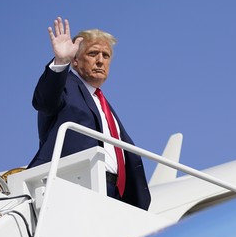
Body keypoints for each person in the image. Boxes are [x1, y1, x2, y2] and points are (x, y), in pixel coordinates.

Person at [28, 17, 151, 210]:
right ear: (76, 60)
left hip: (115, 195)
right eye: (93, 53)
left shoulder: (104, 105)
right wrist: (61, 61)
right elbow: (44, 101)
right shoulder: (65, 85)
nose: (100, 61)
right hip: (75, 184)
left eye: (106, 55)